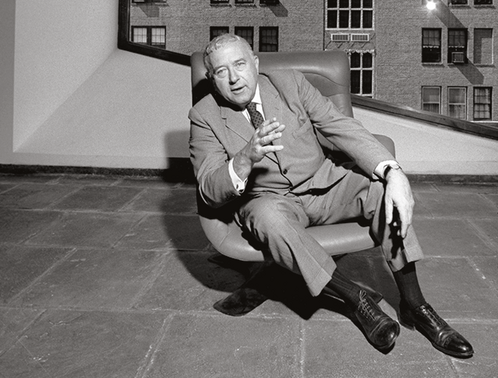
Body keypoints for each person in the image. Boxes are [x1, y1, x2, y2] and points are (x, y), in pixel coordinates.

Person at [188, 34, 473, 358]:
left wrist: (393, 172)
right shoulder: (204, 116)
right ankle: (355, 299)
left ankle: (415, 304)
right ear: (212, 79)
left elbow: (339, 126)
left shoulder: (289, 84)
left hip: (325, 184)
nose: (234, 77)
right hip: (269, 199)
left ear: (254, 63)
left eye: (239, 64)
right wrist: (244, 158)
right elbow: (209, 188)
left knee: (382, 194)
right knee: (270, 220)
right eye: (221, 71)